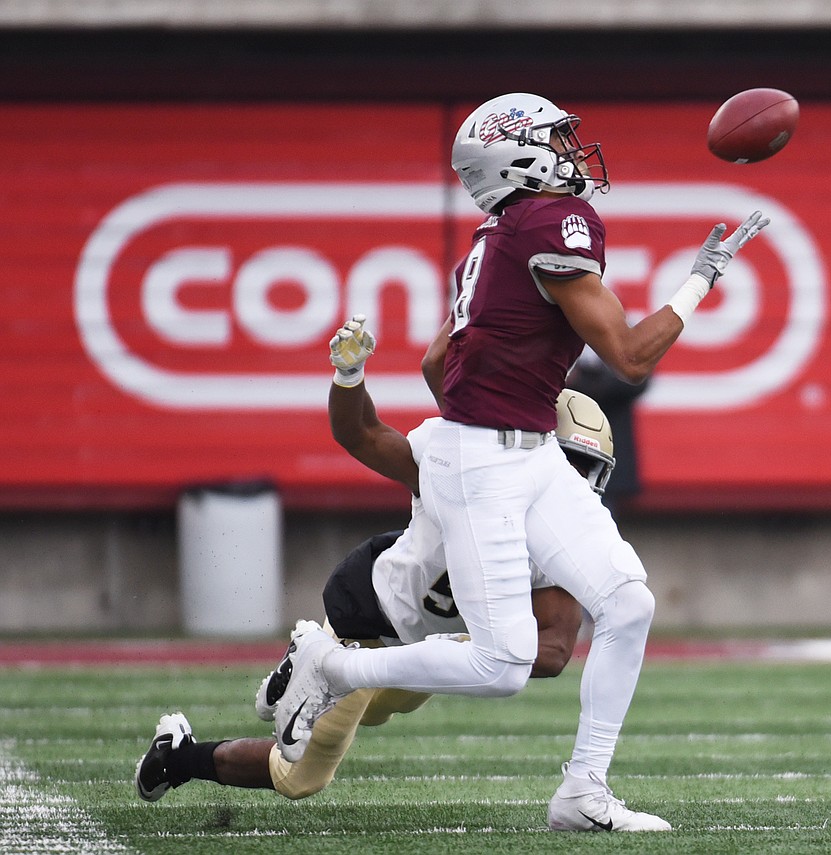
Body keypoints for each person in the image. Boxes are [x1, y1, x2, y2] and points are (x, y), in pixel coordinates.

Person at [274, 92, 768, 833]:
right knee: (504, 664)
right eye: (558, 142)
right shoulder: (546, 220)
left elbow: (439, 361)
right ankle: (330, 666)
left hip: (526, 451)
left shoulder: (495, 235)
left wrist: (487, 417)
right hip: (491, 464)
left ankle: (583, 791)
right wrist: (701, 281)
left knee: (629, 603)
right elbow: (630, 358)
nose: (573, 155)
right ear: (520, 157)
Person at [133, 386, 614, 803]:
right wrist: (349, 376)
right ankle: (180, 756)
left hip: (426, 643)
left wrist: (480, 648)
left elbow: (553, 652)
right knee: (300, 777)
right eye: (570, 465)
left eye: (587, 471)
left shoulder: (560, 541)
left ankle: (298, 667)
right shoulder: (459, 471)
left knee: (386, 710)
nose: (576, 485)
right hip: (371, 618)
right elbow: (358, 433)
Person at [567, 346, 649, 519]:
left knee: (600, 516)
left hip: (609, 446)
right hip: (566, 447)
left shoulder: (624, 332)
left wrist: (585, 381)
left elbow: (639, 379)